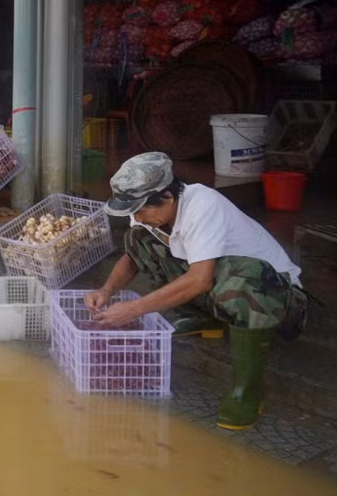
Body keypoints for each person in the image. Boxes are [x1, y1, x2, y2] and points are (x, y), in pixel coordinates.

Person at [84, 152, 308, 431]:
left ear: (166, 196)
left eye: (141, 210)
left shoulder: (203, 205)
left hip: (277, 299)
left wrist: (132, 309)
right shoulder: (147, 214)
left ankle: (247, 391)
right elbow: (131, 256)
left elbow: (200, 280)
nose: (136, 216)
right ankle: (207, 317)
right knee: (137, 237)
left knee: (242, 280)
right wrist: (106, 290)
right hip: (220, 284)